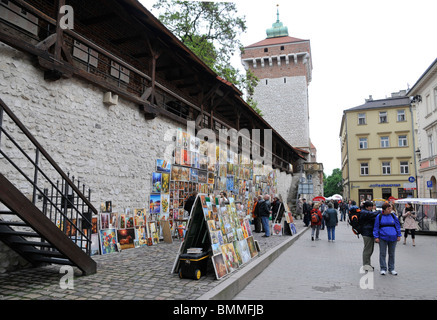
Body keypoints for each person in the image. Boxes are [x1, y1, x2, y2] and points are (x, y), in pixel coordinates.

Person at [374, 202, 402, 275]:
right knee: (383, 253)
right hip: (383, 237)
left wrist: (399, 235)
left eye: (390, 209)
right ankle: (383, 268)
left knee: (392, 253)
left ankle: (391, 268)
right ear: (384, 209)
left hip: (393, 237)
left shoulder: (393, 216)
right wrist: (376, 237)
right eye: (388, 209)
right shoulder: (379, 216)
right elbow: (376, 227)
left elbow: (397, 225)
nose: (390, 210)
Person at [359, 200, 379, 271]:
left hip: (369, 233)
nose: (372, 207)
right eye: (371, 206)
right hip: (366, 233)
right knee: (367, 250)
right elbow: (372, 215)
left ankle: (368, 264)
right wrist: (380, 212)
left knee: (370, 250)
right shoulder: (364, 212)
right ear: (367, 207)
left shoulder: (366, 212)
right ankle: (366, 265)